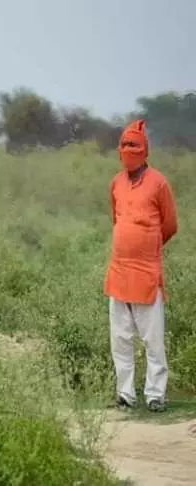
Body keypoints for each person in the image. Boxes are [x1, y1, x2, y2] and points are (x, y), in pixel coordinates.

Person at [104, 119, 178, 412]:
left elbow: (170, 225)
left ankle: (155, 393)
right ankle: (125, 393)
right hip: (119, 270)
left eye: (134, 146)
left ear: (145, 150)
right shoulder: (116, 183)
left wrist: (147, 245)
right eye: (124, 145)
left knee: (152, 338)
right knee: (120, 338)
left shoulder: (158, 182)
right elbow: (116, 219)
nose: (128, 150)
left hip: (147, 271)